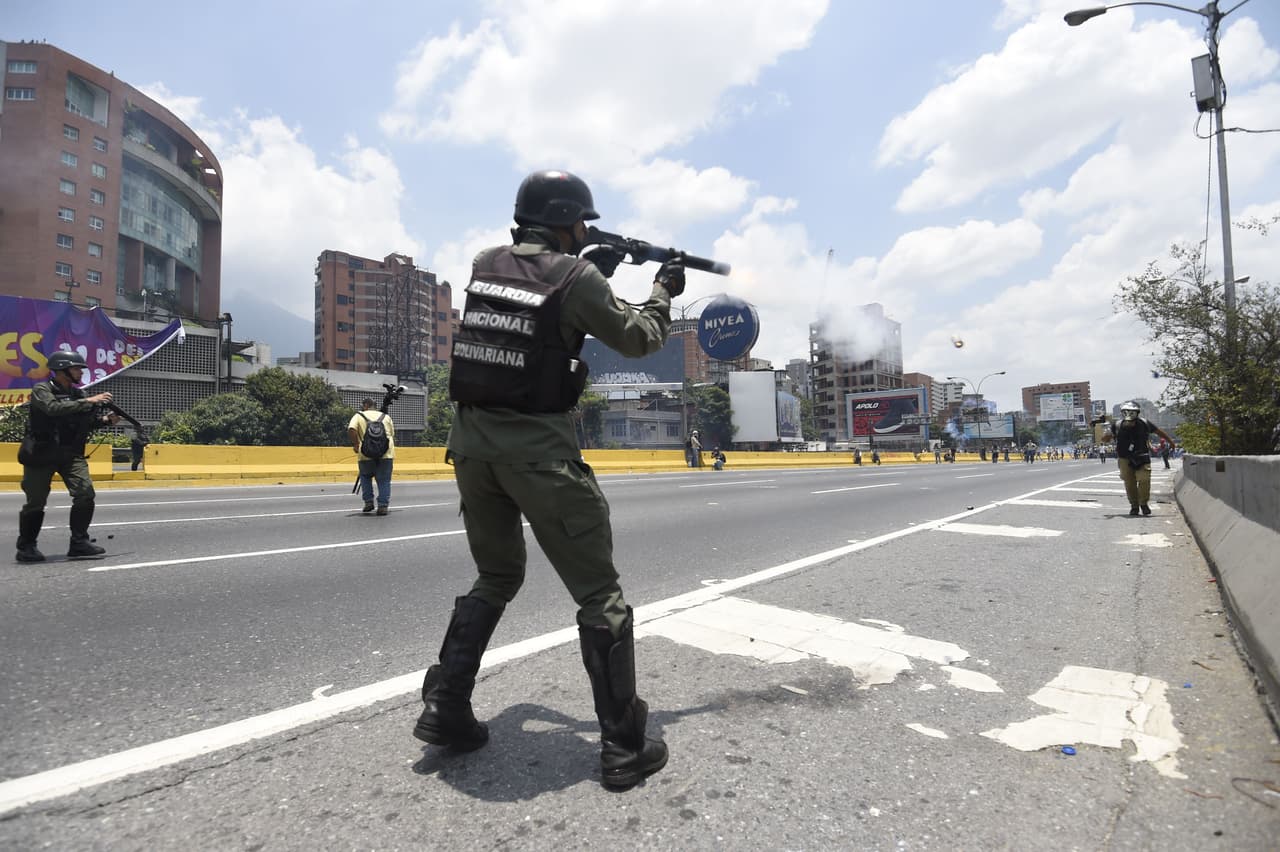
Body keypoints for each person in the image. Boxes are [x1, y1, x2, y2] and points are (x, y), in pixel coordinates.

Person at [413, 170, 682, 789]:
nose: (586, 229)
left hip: (473, 450)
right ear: (566, 222)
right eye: (582, 221)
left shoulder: (486, 263)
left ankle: (447, 704)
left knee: (496, 575)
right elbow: (639, 336)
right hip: (540, 455)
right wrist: (661, 288)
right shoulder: (577, 274)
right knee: (599, 597)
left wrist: (593, 271)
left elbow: (533, 314)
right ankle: (622, 746)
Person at [15, 350, 118, 562]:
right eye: (76, 368)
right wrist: (89, 401)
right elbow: (52, 408)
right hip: (41, 452)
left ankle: (79, 543)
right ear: (62, 370)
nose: (80, 372)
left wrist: (106, 420)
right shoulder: (42, 390)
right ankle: (26, 547)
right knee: (36, 501)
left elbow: (83, 422)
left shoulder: (78, 394)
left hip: (70, 453)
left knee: (85, 493)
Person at [1093, 402, 1175, 516]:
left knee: (1144, 480)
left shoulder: (1145, 423)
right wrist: (1106, 435)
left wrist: (1171, 442)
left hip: (1142, 457)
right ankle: (1134, 506)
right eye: (1126, 413)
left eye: (1132, 413)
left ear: (1137, 413)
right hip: (1124, 458)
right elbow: (1105, 439)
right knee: (1129, 483)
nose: (1129, 420)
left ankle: (1143, 503)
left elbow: (1159, 432)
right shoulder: (1117, 425)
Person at [348, 398, 395, 515]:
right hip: (386, 455)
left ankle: (368, 502)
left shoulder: (359, 416)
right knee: (384, 481)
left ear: (366, 405)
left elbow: (351, 429)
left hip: (365, 455)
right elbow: (392, 434)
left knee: (365, 477)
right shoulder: (386, 417)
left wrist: (356, 444)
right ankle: (383, 506)